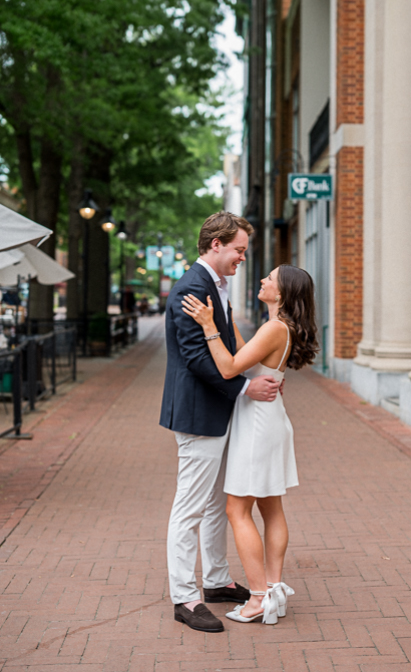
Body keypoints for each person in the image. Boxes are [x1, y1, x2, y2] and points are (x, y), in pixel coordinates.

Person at [159, 212, 281, 633]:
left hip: (217, 409)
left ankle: (215, 581)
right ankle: (184, 597)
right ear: (216, 245)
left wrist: (249, 378)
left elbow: (227, 346)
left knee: (216, 503)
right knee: (190, 507)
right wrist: (247, 390)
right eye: (239, 250)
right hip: (197, 411)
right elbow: (195, 359)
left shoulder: (216, 285)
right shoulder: (192, 289)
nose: (242, 258)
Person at [182, 263, 319, 624]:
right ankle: (272, 590)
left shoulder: (275, 328)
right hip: (269, 421)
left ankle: (258, 598)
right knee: (271, 508)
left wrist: (209, 326)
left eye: (270, 278)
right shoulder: (278, 328)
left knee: (236, 510)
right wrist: (226, 319)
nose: (262, 280)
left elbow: (228, 368)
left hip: (258, 426)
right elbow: (249, 355)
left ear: (284, 292)